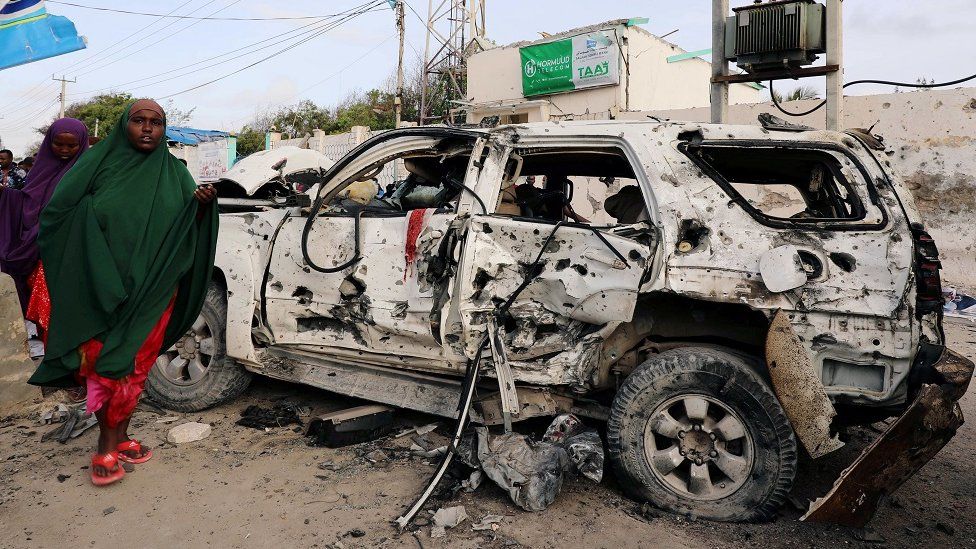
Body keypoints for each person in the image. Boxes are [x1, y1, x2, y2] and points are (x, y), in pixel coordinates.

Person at [27, 100, 218, 486]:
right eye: (139, 121)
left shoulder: (175, 174)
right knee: (106, 365)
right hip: (100, 290)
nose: (148, 129)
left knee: (136, 366)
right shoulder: (98, 165)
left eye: (156, 122)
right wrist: (90, 233)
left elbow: (183, 230)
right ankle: (105, 444)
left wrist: (200, 209)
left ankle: (122, 437)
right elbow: (57, 216)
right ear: (123, 126)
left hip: (153, 292)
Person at [0, 119, 90, 358]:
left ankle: (70, 362)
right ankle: (53, 359)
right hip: (40, 253)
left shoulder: (88, 171)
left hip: (71, 252)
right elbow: (27, 202)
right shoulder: (40, 170)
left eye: (71, 146)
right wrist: (6, 195)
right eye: (58, 144)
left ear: (81, 145)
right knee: (45, 308)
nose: (64, 150)